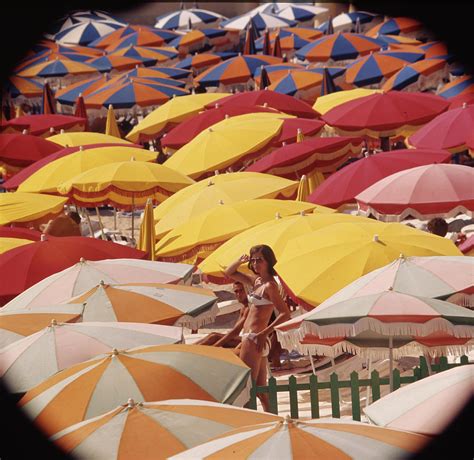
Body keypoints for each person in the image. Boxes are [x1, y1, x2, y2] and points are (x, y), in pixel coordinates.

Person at [225, 244, 291, 412]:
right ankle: (273, 418)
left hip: (254, 338)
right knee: (261, 392)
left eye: (259, 260)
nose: (255, 264)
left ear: (269, 262)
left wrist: (264, 334)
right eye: (253, 260)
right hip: (256, 338)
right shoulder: (256, 281)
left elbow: (285, 313)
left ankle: (252, 423)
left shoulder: (270, 286)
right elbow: (229, 273)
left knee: (247, 388)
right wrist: (240, 261)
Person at [196, 281, 250, 348]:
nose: (239, 294)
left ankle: (191, 350)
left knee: (214, 336)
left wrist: (215, 346)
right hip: (242, 337)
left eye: (241, 290)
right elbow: (235, 330)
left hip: (248, 341)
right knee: (213, 335)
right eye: (236, 291)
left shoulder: (249, 308)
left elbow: (235, 332)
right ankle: (188, 348)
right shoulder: (243, 307)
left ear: (247, 291)